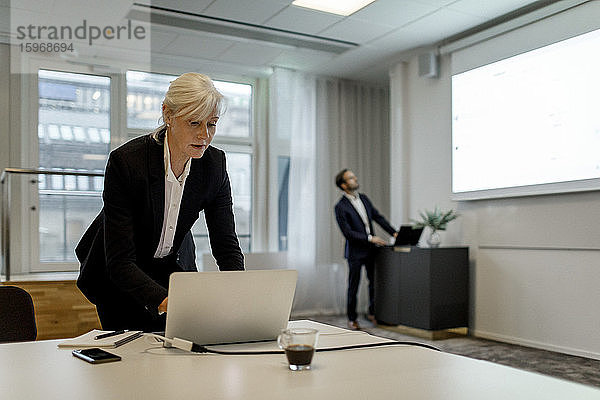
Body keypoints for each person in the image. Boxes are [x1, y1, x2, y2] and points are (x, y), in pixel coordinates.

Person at [75, 73, 245, 332]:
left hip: (172, 268)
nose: (204, 135)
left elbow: (226, 245)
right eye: (194, 123)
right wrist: (168, 302)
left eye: (212, 124)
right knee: (131, 358)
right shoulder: (128, 163)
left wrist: (241, 297)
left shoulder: (214, 165)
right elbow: (120, 261)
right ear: (168, 115)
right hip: (119, 275)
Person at [334, 169, 397, 330]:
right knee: (353, 285)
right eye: (351, 178)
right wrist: (369, 238)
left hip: (371, 250)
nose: (355, 179)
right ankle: (352, 318)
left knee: (374, 283)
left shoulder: (364, 199)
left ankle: (373, 314)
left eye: (354, 176)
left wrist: (394, 232)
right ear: (343, 185)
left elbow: (378, 217)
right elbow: (347, 232)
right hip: (355, 251)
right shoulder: (340, 207)